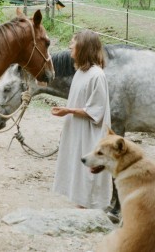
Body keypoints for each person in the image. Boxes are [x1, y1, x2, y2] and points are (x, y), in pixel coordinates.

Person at [51, 30, 112, 209]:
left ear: (83, 47)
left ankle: (88, 211)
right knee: (76, 170)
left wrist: (68, 110)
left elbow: (97, 111)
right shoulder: (80, 73)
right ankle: (80, 207)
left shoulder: (97, 75)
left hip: (90, 133)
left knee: (87, 174)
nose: (70, 46)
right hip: (77, 129)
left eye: (73, 42)